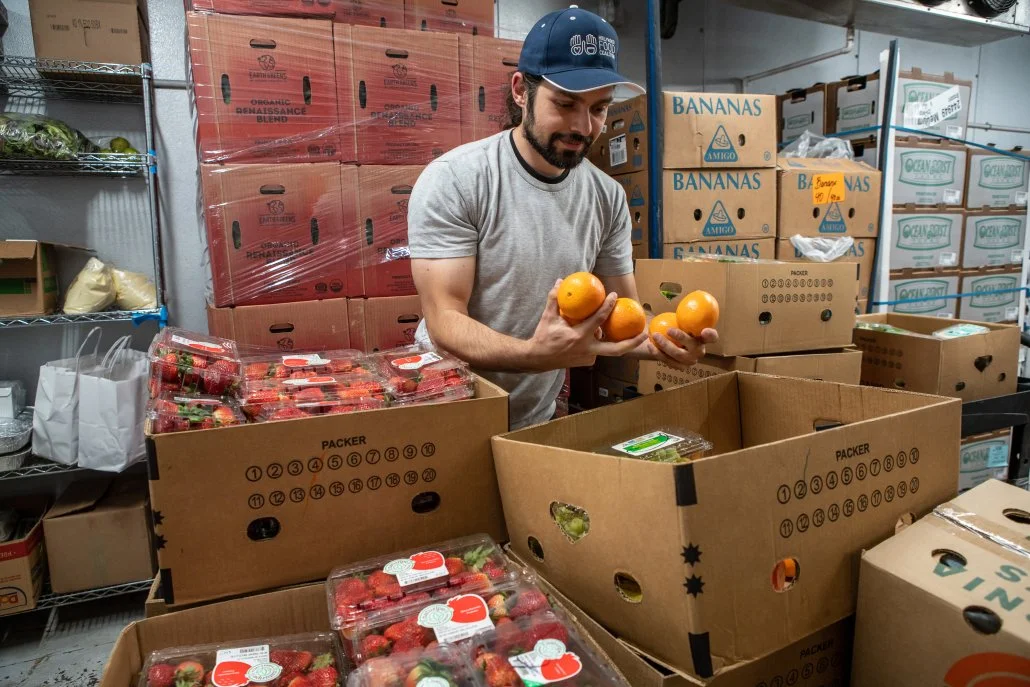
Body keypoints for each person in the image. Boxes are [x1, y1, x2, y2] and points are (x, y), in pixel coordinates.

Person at [408, 5, 718, 429]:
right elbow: (444, 319)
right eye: (566, 103)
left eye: (599, 109)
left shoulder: (606, 197)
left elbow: (622, 315)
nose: (583, 126)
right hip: (448, 408)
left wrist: (667, 342)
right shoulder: (457, 179)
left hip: (535, 416)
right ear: (521, 91)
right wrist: (533, 356)